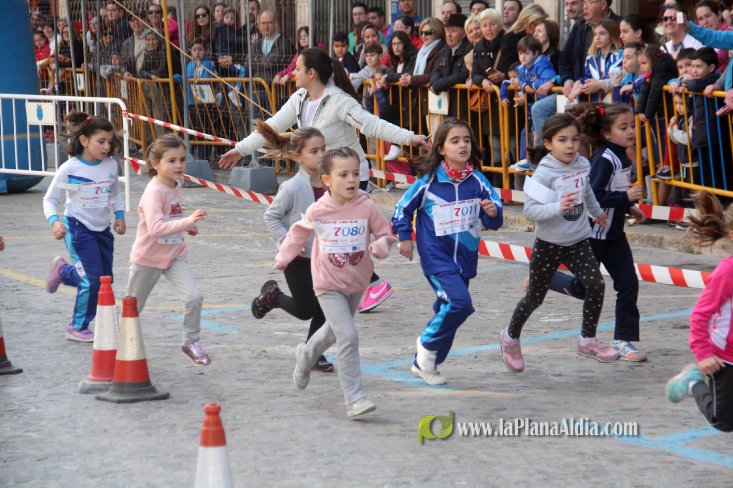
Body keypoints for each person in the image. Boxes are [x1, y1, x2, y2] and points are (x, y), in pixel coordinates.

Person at [218, 48, 430, 310]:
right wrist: (240, 150)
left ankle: (368, 284)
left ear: (311, 73)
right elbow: (272, 126)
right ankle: (346, 285)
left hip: (350, 177)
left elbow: (373, 125)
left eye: (297, 68)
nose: (293, 73)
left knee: (335, 234)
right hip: (324, 179)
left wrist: (411, 138)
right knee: (329, 234)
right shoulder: (299, 98)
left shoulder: (339, 101)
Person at [277, 147, 397, 419]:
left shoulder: (367, 206)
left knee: (332, 332)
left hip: (357, 281)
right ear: (327, 180)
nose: (351, 180)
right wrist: (283, 257)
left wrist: (380, 247)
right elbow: (297, 234)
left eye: (355, 173)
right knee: (348, 336)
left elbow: (385, 234)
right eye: (343, 175)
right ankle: (355, 399)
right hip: (327, 283)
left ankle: (306, 355)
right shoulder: (318, 209)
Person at [499, 113, 614, 373]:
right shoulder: (544, 173)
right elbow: (530, 211)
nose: (570, 146)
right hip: (549, 244)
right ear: (548, 144)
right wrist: (558, 207)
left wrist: (596, 212)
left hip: (579, 240)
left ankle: (587, 339)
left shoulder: (582, 163)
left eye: (575, 139)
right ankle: (510, 337)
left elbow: (586, 190)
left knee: (596, 285)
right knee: (534, 298)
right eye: (562, 140)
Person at [392, 118, 503, 385]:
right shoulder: (428, 182)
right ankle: (426, 345)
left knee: (449, 309)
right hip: (436, 258)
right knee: (459, 304)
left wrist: (492, 213)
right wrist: (405, 238)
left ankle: (426, 362)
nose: (463, 145)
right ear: (441, 148)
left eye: (466, 140)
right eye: (455, 141)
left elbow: (495, 218)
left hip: (465, 259)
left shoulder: (478, 181)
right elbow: (402, 210)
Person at [544, 103, 648, 361]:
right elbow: (594, 196)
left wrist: (629, 207)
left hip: (614, 235)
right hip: (592, 235)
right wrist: (625, 197)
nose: (630, 131)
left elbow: (615, 192)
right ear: (607, 133)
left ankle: (623, 341)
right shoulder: (604, 159)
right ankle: (546, 278)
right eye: (623, 127)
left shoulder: (623, 157)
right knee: (583, 289)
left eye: (631, 126)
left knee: (628, 284)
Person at [250, 122, 334, 373]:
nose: (321, 155)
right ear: (297, 156)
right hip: (298, 259)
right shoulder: (292, 187)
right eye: (314, 151)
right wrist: (289, 242)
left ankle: (313, 353)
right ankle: (272, 296)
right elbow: (271, 216)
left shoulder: (332, 183)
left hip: (325, 257)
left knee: (328, 306)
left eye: (324, 149)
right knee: (306, 310)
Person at [125, 134, 210, 366]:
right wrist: (187, 221)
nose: (179, 165)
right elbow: (155, 228)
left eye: (182, 160)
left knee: (194, 296)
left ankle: (191, 342)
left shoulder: (176, 184)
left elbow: (170, 217)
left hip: (174, 255)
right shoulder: (154, 192)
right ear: (155, 164)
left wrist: (187, 225)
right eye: (171, 161)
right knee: (133, 307)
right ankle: (119, 345)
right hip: (147, 258)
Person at [43, 112, 126, 342]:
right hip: (77, 228)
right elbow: (49, 199)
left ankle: (63, 271)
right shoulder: (69, 168)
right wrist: (55, 222)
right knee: (91, 279)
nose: (106, 147)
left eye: (109, 141)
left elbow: (115, 194)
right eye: (101, 141)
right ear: (84, 140)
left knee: (104, 279)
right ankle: (77, 326)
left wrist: (119, 215)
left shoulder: (110, 165)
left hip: (103, 230)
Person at [665, 191, 733, 432]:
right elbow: (700, 314)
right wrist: (703, 354)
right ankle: (693, 382)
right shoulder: (727, 271)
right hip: (726, 357)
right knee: (724, 421)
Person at [533, 0, 621, 141]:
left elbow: (621, 74)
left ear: (603, 4)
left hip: (605, 102)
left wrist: (598, 85)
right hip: (577, 92)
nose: (584, 6)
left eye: (589, 2)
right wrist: (568, 81)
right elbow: (565, 58)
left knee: (583, 130)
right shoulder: (579, 26)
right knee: (539, 109)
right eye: (584, 2)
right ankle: (548, 152)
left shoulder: (620, 26)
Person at [567, 18, 623, 103]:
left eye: (602, 33)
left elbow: (617, 78)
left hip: (614, 103)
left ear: (612, 35)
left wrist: (598, 84)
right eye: (595, 34)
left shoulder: (619, 54)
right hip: (595, 103)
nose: (597, 37)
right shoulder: (591, 58)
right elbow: (588, 78)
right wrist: (579, 83)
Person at [430, 14, 471, 118]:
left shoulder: (468, 49)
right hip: (447, 105)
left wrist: (439, 84)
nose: (449, 34)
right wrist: (434, 82)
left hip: (464, 106)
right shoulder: (445, 49)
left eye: (453, 31)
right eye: (447, 30)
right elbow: (438, 70)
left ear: (464, 33)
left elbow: (464, 75)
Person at [247, 10, 293, 81]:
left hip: (278, 85)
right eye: (263, 23)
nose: (266, 26)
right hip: (258, 85)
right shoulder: (257, 44)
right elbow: (247, 63)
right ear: (259, 25)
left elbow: (271, 62)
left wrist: (257, 60)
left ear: (275, 23)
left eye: (269, 23)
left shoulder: (284, 43)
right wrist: (265, 61)